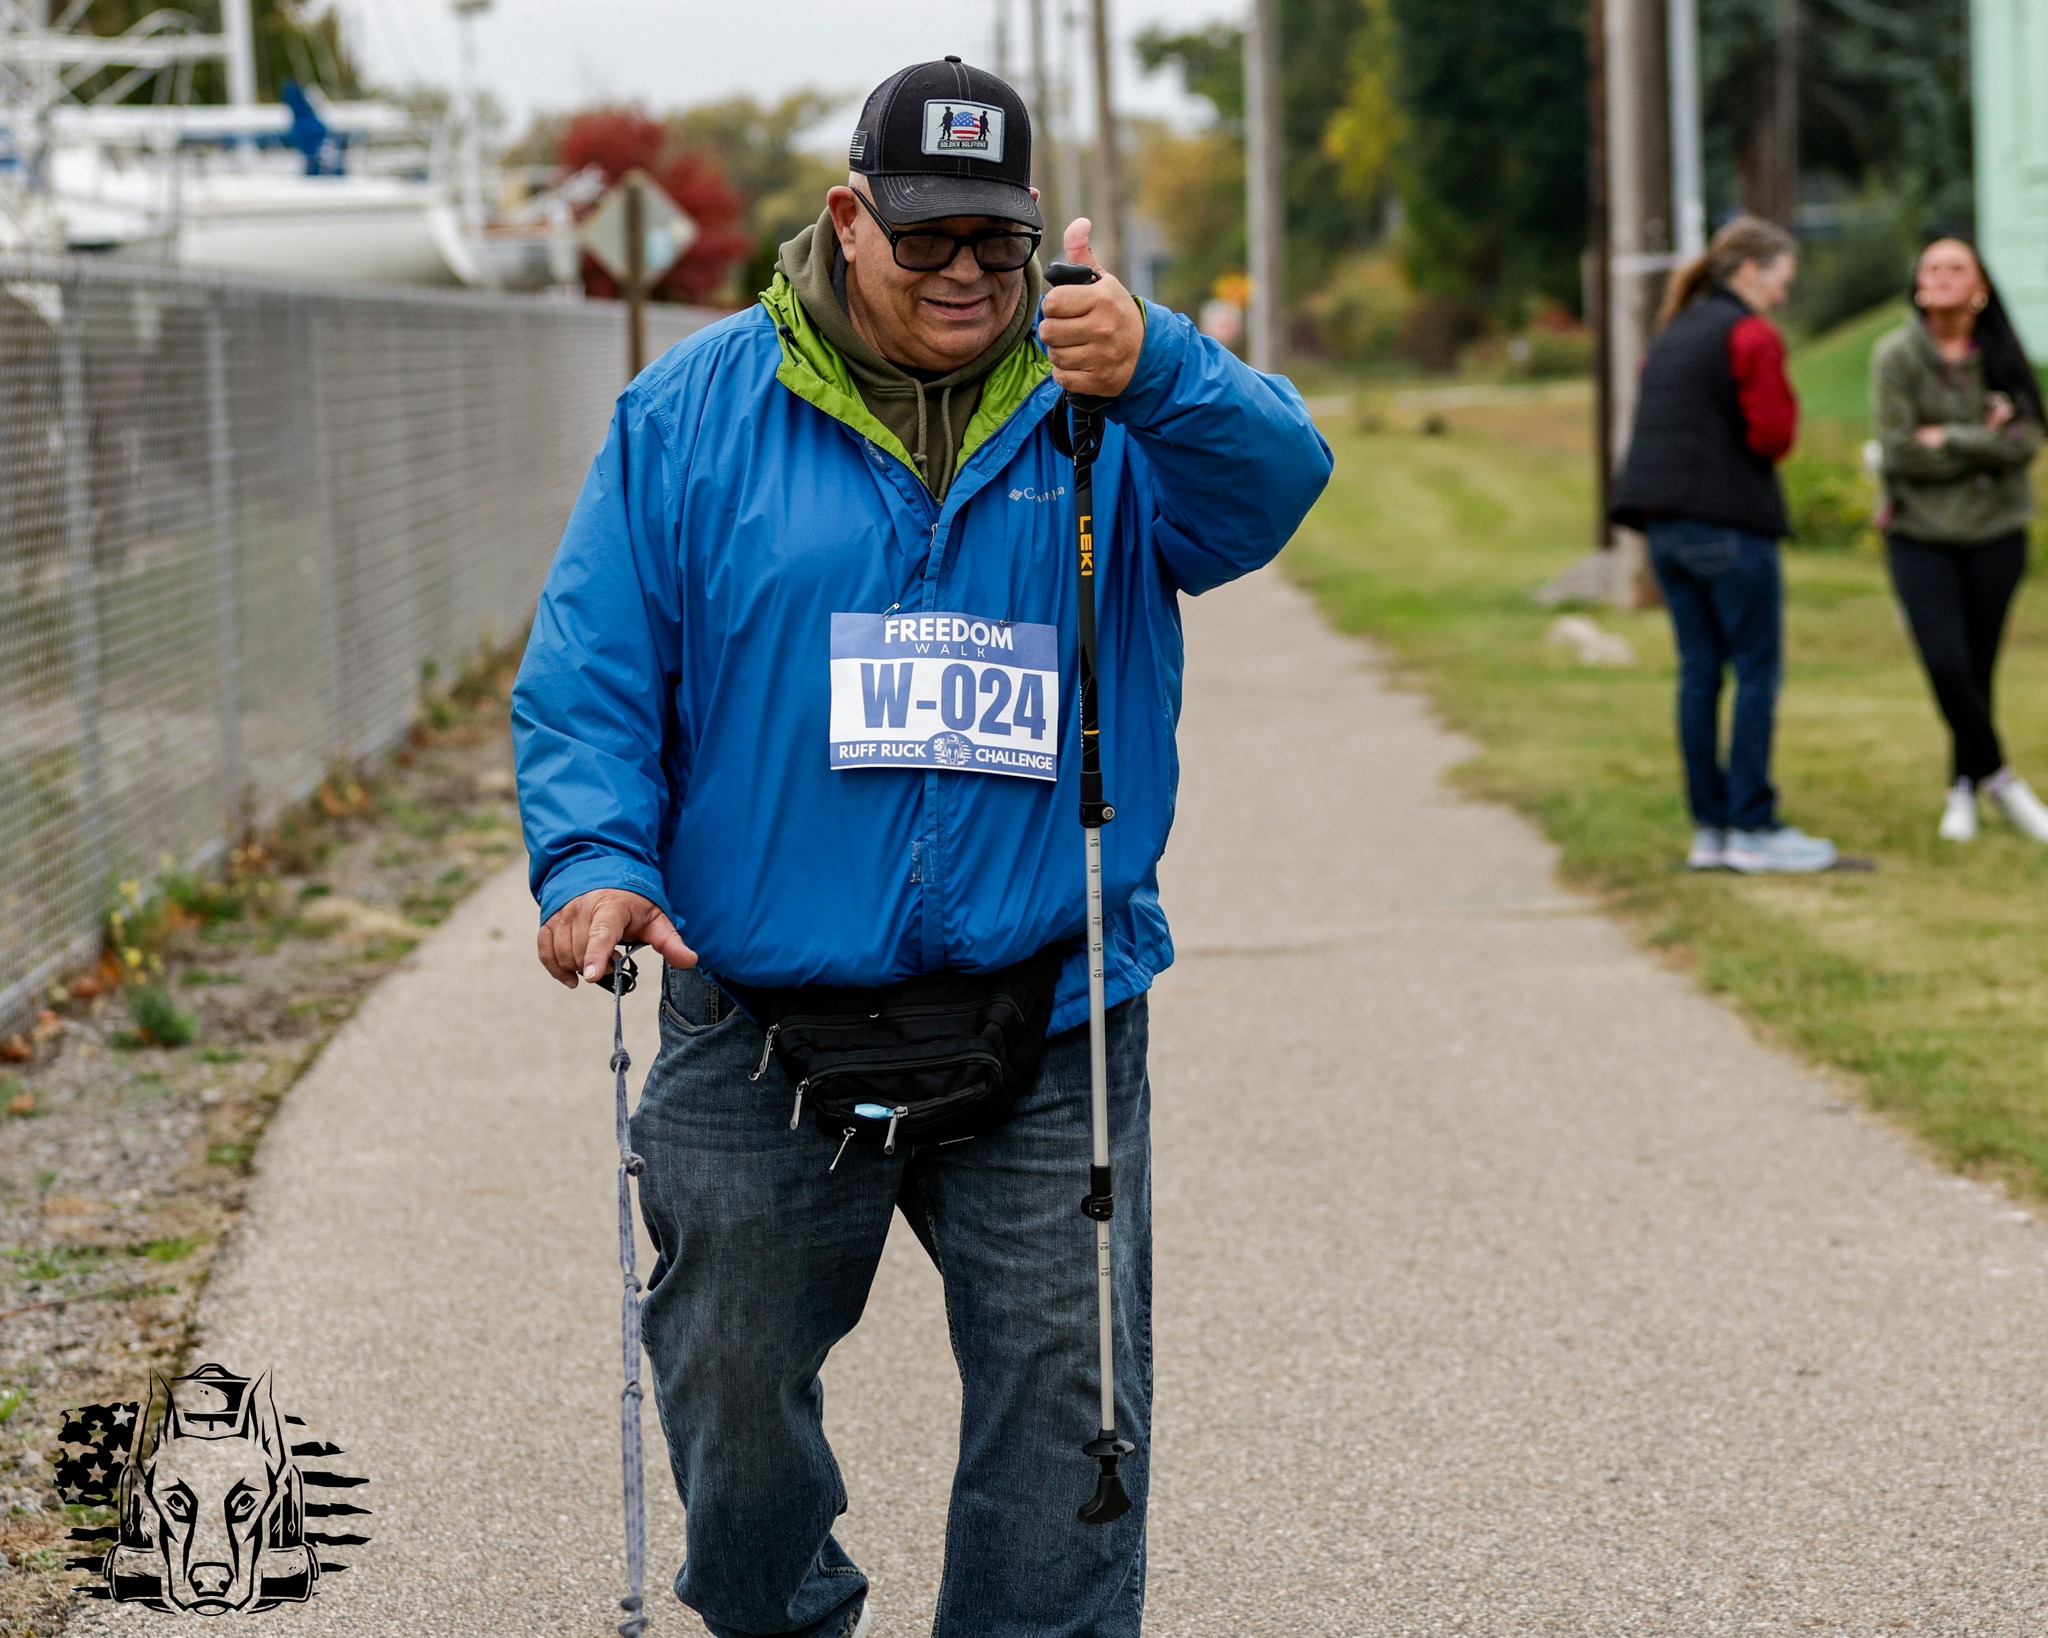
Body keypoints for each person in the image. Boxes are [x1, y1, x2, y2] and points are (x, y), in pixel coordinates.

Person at [511, 56, 1332, 1638]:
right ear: (848, 217)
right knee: (733, 1412)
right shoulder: (692, 414)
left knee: (1065, 1421)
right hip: (757, 1011)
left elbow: (1279, 486)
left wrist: (1159, 365)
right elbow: (595, 665)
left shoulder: (1111, 396)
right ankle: (787, 1609)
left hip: (1048, 1002)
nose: (969, 274)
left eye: (1001, 244)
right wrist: (593, 857)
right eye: (931, 238)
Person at [1612, 215, 1839, 874]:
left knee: (1699, 674)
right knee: (1757, 672)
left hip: (1665, 531)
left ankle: (1709, 829)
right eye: (1780, 280)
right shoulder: (1749, 334)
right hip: (1729, 526)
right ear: (1749, 271)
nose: (1783, 295)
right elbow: (1773, 435)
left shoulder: (1672, 334)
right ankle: (1753, 825)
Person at [1871, 238, 2048, 843]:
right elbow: (1896, 453)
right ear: (1918, 284)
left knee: (1979, 666)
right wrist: (1981, 443)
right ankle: (2001, 778)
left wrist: (1946, 438)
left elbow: (2026, 442)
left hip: (1996, 532)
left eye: (1957, 268)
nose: (1943, 277)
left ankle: (1961, 789)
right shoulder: (1895, 356)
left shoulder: (2000, 355)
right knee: (1945, 662)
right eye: (1933, 268)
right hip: (1919, 533)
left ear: (1980, 288)